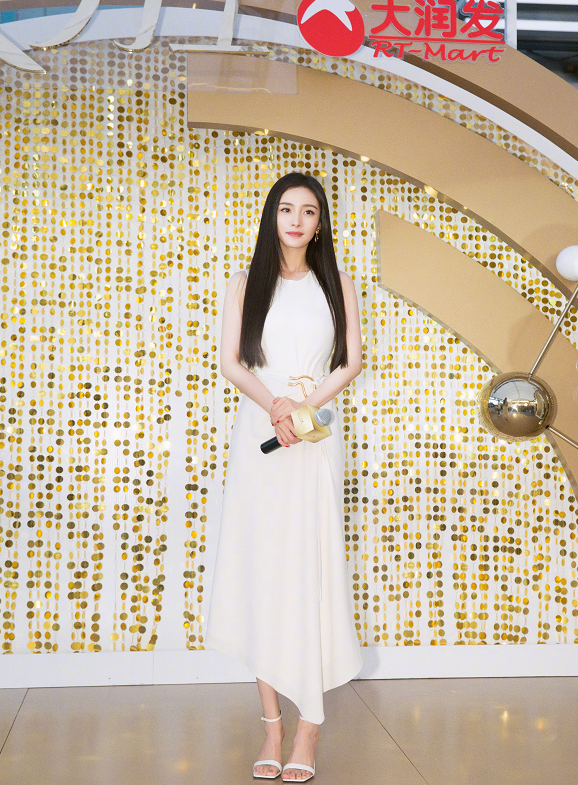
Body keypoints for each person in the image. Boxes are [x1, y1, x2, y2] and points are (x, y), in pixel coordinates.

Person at [205, 171, 363, 782]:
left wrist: (303, 410)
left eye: (309, 211)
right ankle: (271, 725)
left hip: (314, 434)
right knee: (262, 571)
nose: (297, 220)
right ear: (272, 217)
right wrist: (275, 406)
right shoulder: (244, 283)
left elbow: (351, 362)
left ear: (320, 224)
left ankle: (308, 729)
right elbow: (231, 362)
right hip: (259, 435)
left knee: (309, 568)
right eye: (287, 209)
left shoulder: (337, 282)